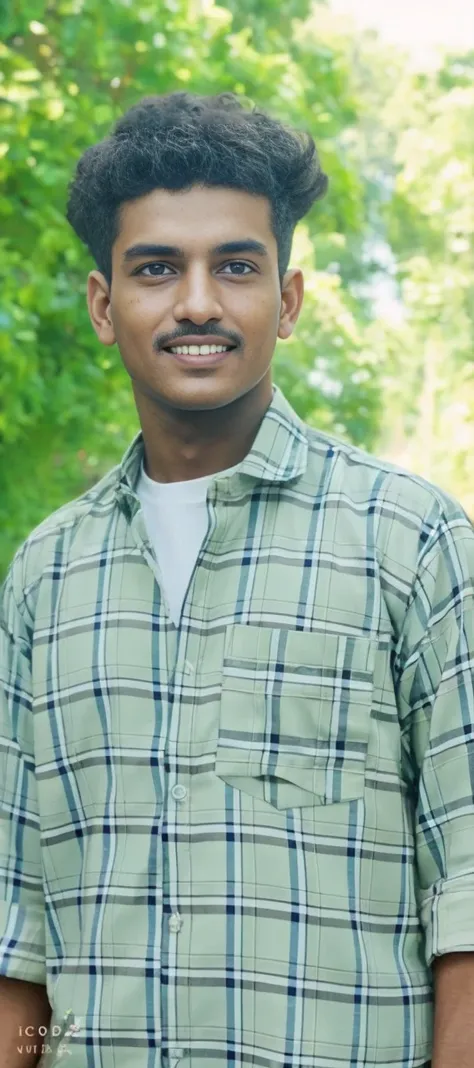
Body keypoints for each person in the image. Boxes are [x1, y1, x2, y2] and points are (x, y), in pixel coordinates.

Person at [0, 91, 473, 1068]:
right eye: (157, 268)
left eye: (238, 266)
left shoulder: (413, 541)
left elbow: (468, 889)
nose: (199, 302)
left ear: (287, 301)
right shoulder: (45, 577)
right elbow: (17, 930)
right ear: (104, 305)